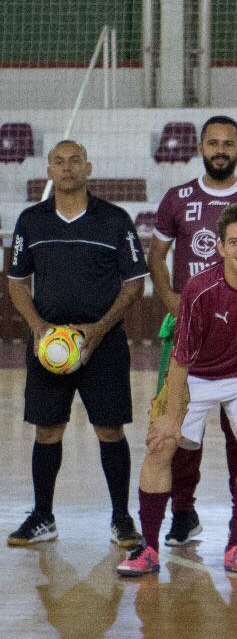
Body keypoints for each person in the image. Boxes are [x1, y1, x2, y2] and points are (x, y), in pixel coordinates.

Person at [116, 204, 237, 576]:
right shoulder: (200, 289)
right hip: (195, 376)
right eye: (234, 242)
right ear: (220, 247)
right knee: (161, 444)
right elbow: (180, 360)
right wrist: (170, 416)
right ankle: (147, 547)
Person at [7, 139, 147, 547]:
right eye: (58, 162)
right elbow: (17, 282)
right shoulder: (31, 221)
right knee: (47, 431)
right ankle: (42, 516)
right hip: (49, 344)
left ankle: (121, 518)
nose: (67, 168)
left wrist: (100, 328)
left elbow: (135, 281)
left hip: (101, 343)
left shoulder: (115, 220)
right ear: (49, 171)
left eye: (74, 161)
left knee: (110, 430)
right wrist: (37, 328)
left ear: (88, 168)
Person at [148, 115, 237, 547]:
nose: (220, 150)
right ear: (201, 147)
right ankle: (183, 513)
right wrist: (172, 302)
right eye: (213, 143)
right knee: (184, 432)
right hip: (191, 327)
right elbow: (157, 257)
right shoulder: (177, 198)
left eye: (228, 143)